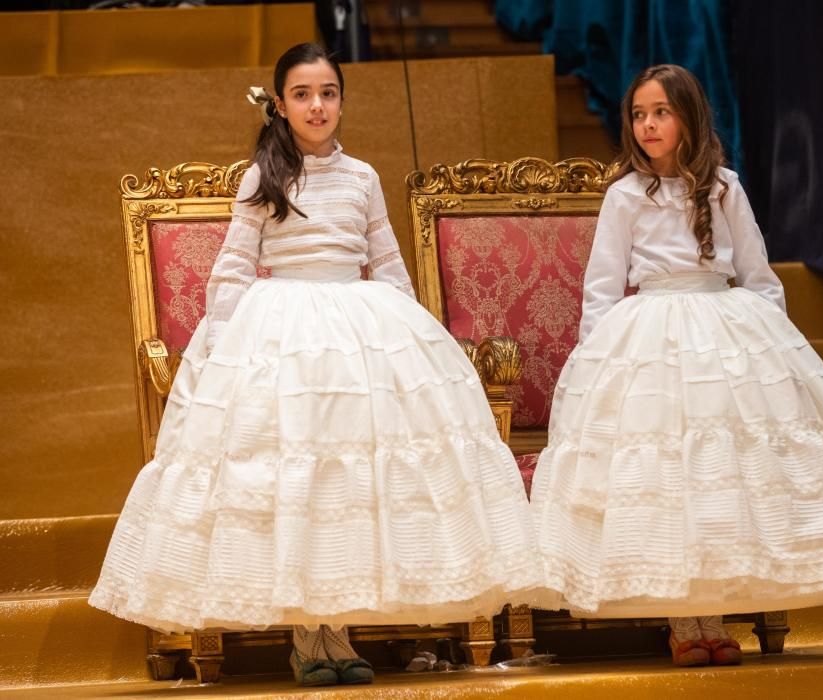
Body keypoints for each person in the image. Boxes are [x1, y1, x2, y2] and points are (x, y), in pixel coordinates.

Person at [89, 42, 543, 686]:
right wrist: (220, 350)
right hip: (285, 332)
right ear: (280, 104)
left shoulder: (361, 177)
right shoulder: (263, 175)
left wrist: (412, 340)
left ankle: (341, 631)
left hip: (357, 328)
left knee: (346, 482)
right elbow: (233, 267)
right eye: (302, 94)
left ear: (341, 101)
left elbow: (385, 263)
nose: (317, 105)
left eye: (328, 92)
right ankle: (308, 635)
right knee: (297, 476)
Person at [529, 64, 823, 667]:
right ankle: (683, 622)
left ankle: (714, 620)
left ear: (689, 117)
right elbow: (602, 285)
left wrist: (773, 347)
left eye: (660, 112)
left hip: (722, 330)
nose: (647, 125)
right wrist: (596, 359)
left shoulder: (723, 187)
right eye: (638, 114)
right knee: (670, 475)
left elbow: (758, 274)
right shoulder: (623, 195)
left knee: (719, 475)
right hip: (654, 340)